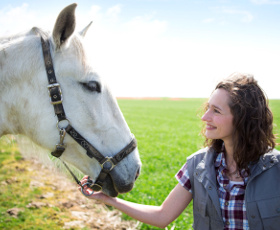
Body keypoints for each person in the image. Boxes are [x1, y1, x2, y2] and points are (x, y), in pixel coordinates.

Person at [79, 72, 280, 230]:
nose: (205, 117)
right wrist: (107, 199)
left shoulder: (276, 169)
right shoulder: (198, 166)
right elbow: (162, 216)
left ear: (243, 119)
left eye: (216, 111)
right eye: (208, 108)